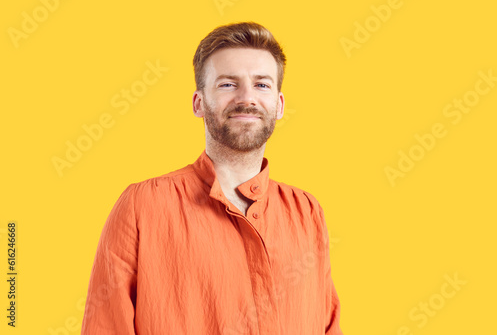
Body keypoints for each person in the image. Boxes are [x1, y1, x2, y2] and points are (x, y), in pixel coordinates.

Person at [81, 21, 342, 335]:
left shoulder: (307, 212)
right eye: (228, 84)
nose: (247, 98)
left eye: (262, 85)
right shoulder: (142, 206)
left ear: (279, 104)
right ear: (199, 103)